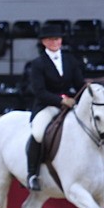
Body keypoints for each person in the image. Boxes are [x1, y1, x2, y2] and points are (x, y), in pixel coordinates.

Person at [25, 32, 85, 190]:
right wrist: (61, 101)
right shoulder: (37, 63)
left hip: (70, 105)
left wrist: (91, 89)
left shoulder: (70, 60)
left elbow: (79, 83)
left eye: (57, 39)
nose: (55, 42)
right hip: (47, 105)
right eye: (50, 39)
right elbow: (39, 91)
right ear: (44, 42)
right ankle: (32, 174)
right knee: (38, 133)